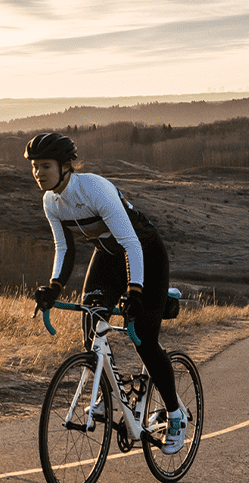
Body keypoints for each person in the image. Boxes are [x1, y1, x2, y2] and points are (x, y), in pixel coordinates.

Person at [24, 131, 187, 454]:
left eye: (45, 166)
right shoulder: (51, 201)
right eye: (34, 167)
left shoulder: (94, 189)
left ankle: (175, 414)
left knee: (142, 335)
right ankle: (105, 391)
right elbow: (63, 248)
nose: (38, 173)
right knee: (92, 321)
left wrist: (135, 291)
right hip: (109, 258)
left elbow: (131, 243)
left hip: (145, 253)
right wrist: (53, 287)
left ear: (66, 166)